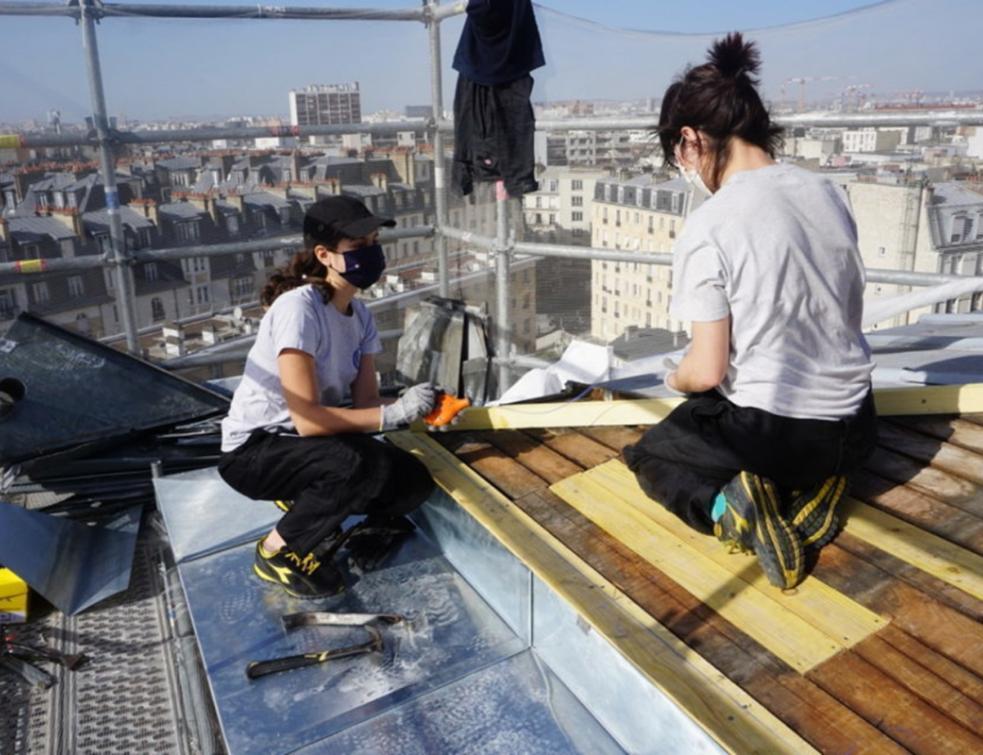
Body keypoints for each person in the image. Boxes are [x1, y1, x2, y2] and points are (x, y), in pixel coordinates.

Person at [622, 33, 877, 590]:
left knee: (651, 457)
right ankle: (815, 485)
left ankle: (735, 508)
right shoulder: (827, 191)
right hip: (857, 423)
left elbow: (707, 372)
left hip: (776, 433)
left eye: (678, 153)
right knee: (745, 420)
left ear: (691, 139)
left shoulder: (711, 225)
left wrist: (674, 375)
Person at [218, 195, 437, 599]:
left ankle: (314, 506)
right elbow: (308, 420)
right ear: (324, 255)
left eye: (374, 240)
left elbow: (368, 404)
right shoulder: (298, 310)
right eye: (359, 246)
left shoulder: (361, 316)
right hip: (257, 450)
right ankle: (276, 553)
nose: (372, 252)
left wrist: (423, 406)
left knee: (413, 481)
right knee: (352, 463)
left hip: (308, 446)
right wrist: (393, 417)